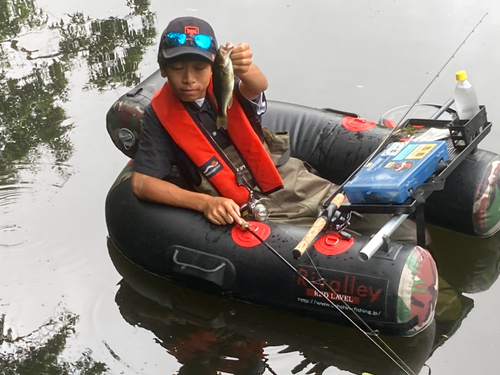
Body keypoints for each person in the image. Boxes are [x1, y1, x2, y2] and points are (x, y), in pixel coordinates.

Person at [131, 16, 423, 243]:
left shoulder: (225, 86)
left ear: (214, 68)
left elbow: (257, 86)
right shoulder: (159, 117)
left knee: (403, 230)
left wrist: (243, 66)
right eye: (178, 68)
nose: (189, 79)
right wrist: (205, 203)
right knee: (335, 250)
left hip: (291, 179)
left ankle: (443, 295)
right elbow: (142, 184)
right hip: (251, 205)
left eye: (198, 68)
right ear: (163, 69)